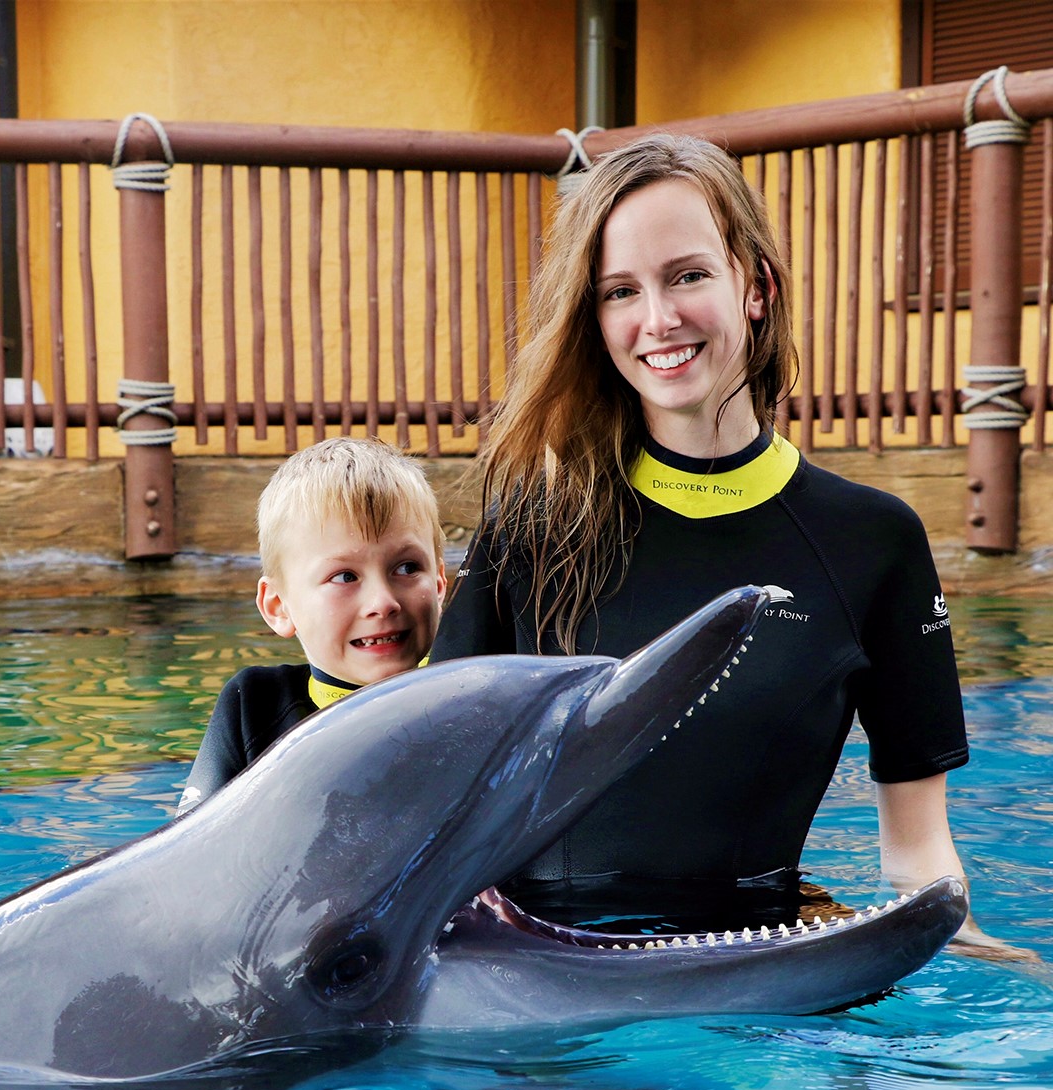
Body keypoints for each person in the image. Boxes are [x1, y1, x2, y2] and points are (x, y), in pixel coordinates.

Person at [429, 132, 1020, 958]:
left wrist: (999, 979)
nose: (658, 319)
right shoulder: (531, 526)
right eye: (620, 292)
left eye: (689, 276)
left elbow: (917, 860)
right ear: (593, 319)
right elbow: (435, 809)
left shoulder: (872, 541)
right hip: (538, 976)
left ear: (757, 286)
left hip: (748, 981)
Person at [178, 436, 446, 814]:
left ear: (439, 584)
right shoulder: (254, 706)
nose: (383, 602)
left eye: (407, 568)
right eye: (344, 577)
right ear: (278, 606)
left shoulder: (469, 693)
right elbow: (190, 846)